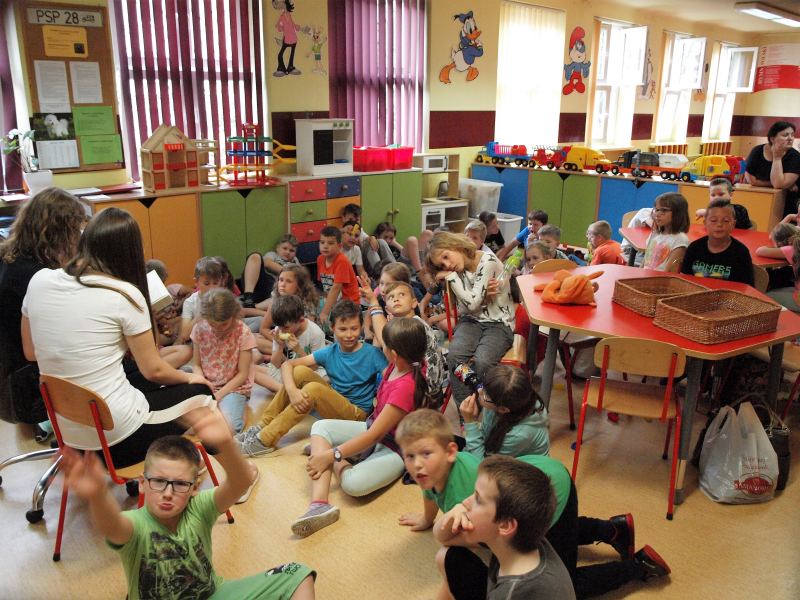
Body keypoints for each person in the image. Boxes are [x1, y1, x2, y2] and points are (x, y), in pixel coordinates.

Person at [21, 207, 234, 471]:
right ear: (131, 252)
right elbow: (154, 370)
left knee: (142, 375)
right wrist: (190, 378)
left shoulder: (39, 279)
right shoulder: (124, 294)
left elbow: (30, 351)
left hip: (69, 433)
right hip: (118, 442)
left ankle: (183, 462)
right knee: (202, 393)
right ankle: (233, 473)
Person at [396, 410, 671, 600]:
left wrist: (453, 523)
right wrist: (428, 518)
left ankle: (638, 566)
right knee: (553, 534)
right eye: (409, 457)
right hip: (535, 478)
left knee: (568, 579)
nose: (417, 465)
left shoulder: (468, 487)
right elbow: (436, 507)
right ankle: (614, 529)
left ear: (450, 452)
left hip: (551, 485)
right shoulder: (431, 472)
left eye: (425, 454)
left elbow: (456, 539)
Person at [59, 410, 317, 600]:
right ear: (142, 484)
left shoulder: (199, 507)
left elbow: (240, 482)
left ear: (195, 488)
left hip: (212, 593)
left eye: (180, 484)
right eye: (159, 481)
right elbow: (112, 526)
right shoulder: (135, 524)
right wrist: (97, 496)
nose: (168, 493)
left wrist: (224, 445)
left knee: (298, 573)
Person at [291, 317, 433, 537]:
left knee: (353, 485)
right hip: (373, 428)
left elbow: (375, 435)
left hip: (396, 447)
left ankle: (333, 452)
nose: (381, 347)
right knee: (320, 427)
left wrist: (330, 455)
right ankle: (319, 504)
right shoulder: (400, 363)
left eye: (384, 345)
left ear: (394, 353)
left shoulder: (406, 386)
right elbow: (374, 429)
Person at [237, 300, 387, 457]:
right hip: (334, 404)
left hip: (356, 414)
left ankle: (264, 440)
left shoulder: (372, 354)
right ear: (333, 328)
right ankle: (262, 426)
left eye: (354, 328)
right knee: (300, 371)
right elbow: (287, 365)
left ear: (361, 327)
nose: (349, 335)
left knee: (313, 389)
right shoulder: (330, 351)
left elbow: (391, 381)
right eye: (343, 329)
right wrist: (292, 391)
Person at [0, 187, 85, 440]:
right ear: (60, 233)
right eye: (75, 231)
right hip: (26, 381)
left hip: (10, 376)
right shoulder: (37, 277)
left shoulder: (9, 258)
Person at [439, 455, 575, 599]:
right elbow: (442, 537)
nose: (465, 502)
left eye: (478, 498)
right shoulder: (518, 537)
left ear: (505, 525)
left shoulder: (510, 593)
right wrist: (454, 512)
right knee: (447, 557)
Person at [427, 232, 515, 407]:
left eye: (446, 256)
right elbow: (462, 309)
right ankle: (467, 408)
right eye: (442, 265)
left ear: (456, 245)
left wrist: (453, 279)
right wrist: (480, 298)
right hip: (470, 321)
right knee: (454, 357)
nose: (447, 265)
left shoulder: (487, 261)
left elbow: (472, 304)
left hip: (498, 324)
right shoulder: (457, 270)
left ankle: (484, 404)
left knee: (483, 361)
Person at [364, 279, 446, 406]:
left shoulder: (414, 325)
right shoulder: (412, 322)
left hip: (426, 396)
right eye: (391, 297)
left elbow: (385, 342)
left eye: (401, 295)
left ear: (414, 303)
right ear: (387, 309)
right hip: (428, 389)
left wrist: (374, 303)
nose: (396, 299)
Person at [190, 288, 256, 434]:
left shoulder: (243, 332)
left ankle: (241, 405)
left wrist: (219, 395)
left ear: (233, 315)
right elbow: (196, 365)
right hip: (207, 383)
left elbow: (243, 374)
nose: (218, 329)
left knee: (229, 428)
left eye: (224, 324)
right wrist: (203, 383)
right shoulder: (199, 328)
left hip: (233, 387)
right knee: (185, 422)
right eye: (212, 324)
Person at [460, 364, 549, 459]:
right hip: (495, 454)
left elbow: (481, 464)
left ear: (503, 409)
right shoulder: (505, 399)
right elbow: (485, 434)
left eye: (485, 396)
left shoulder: (519, 434)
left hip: (516, 466)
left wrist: (470, 423)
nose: (480, 391)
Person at [254, 294, 326, 393]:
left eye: (286, 327)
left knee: (319, 380)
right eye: (279, 326)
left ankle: (286, 390)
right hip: (288, 371)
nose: (282, 330)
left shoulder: (315, 333)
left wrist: (299, 350)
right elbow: (275, 365)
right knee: (251, 370)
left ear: (301, 320)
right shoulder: (280, 329)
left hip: (311, 373)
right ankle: (287, 390)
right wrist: (280, 347)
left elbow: (314, 367)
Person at [681, 199, 754, 285]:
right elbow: (684, 281)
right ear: (705, 223)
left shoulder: (741, 253)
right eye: (713, 220)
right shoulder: (694, 248)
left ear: (733, 224)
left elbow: (746, 287)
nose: (719, 224)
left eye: (726, 220)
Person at [256, 264, 320, 355]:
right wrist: (277, 340)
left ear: (300, 286)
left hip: (300, 346)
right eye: (281, 280)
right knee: (254, 338)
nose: (282, 284)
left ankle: (282, 357)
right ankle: (281, 356)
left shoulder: (306, 304)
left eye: (289, 281)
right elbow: (263, 328)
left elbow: (308, 335)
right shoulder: (276, 300)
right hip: (282, 341)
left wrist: (288, 344)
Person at [744, 121, 799, 216]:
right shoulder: (757, 150)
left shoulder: (795, 156)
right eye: (785, 135)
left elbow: (778, 184)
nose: (790, 138)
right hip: (760, 197)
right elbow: (751, 180)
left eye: (792, 135)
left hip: (787, 203)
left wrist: (777, 158)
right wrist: (777, 184)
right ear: (772, 138)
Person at [239, 233, 300, 309]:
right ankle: (248, 296)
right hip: (261, 283)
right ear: (277, 248)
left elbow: (299, 277)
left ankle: (253, 307)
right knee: (255, 256)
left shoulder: (295, 261)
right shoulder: (273, 255)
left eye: (292, 251)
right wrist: (287, 272)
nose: (288, 252)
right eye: (285, 248)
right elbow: (267, 263)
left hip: (276, 290)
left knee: (283, 295)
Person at [317, 226, 360, 326]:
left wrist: (325, 313)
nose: (325, 246)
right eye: (322, 242)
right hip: (334, 302)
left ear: (339, 246)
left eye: (330, 243)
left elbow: (336, 288)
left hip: (349, 305)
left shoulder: (342, 261)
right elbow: (325, 287)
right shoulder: (320, 259)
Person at [177, 256, 225, 344]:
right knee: (184, 350)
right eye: (206, 283)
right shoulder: (190, 302)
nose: (211, 288)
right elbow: (184, 335)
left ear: (221, 281)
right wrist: (201, 315)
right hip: (199, 343)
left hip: (222, 339)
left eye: (215, 283)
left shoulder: (224, 298)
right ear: (196, 282)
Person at [757, 219, 800, 310]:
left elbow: (760, 251)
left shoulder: (791, 249)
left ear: (780, 243)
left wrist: (774, 247)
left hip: (798, 300)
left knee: (763, 297)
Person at [642, 192, 690, 272]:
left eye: (664, 210)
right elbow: (644, 262)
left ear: (678, 213)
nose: (657, 214)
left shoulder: (680, 239)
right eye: (657, 210)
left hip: (660, 279)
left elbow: (670, 272)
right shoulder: (655, 234)